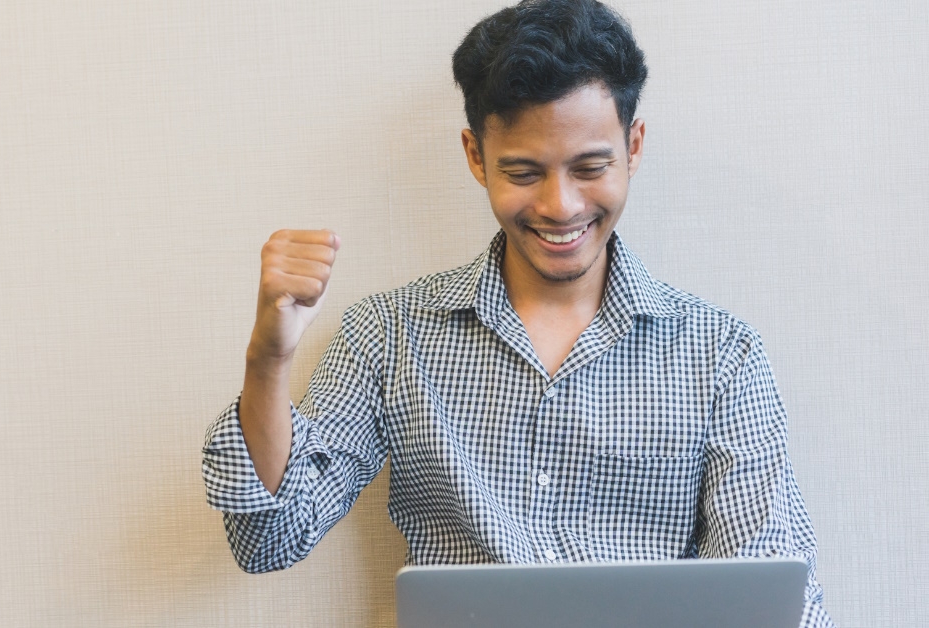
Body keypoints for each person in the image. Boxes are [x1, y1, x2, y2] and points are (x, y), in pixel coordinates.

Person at [201, 0, 834, 625]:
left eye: (590, 167)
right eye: (524, 172)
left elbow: (776, 593)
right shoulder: (388, 334)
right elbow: (270, 539)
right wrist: (268, 359)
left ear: (633, 145)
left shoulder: (721, 352)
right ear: (476, 157)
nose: (561, 206)